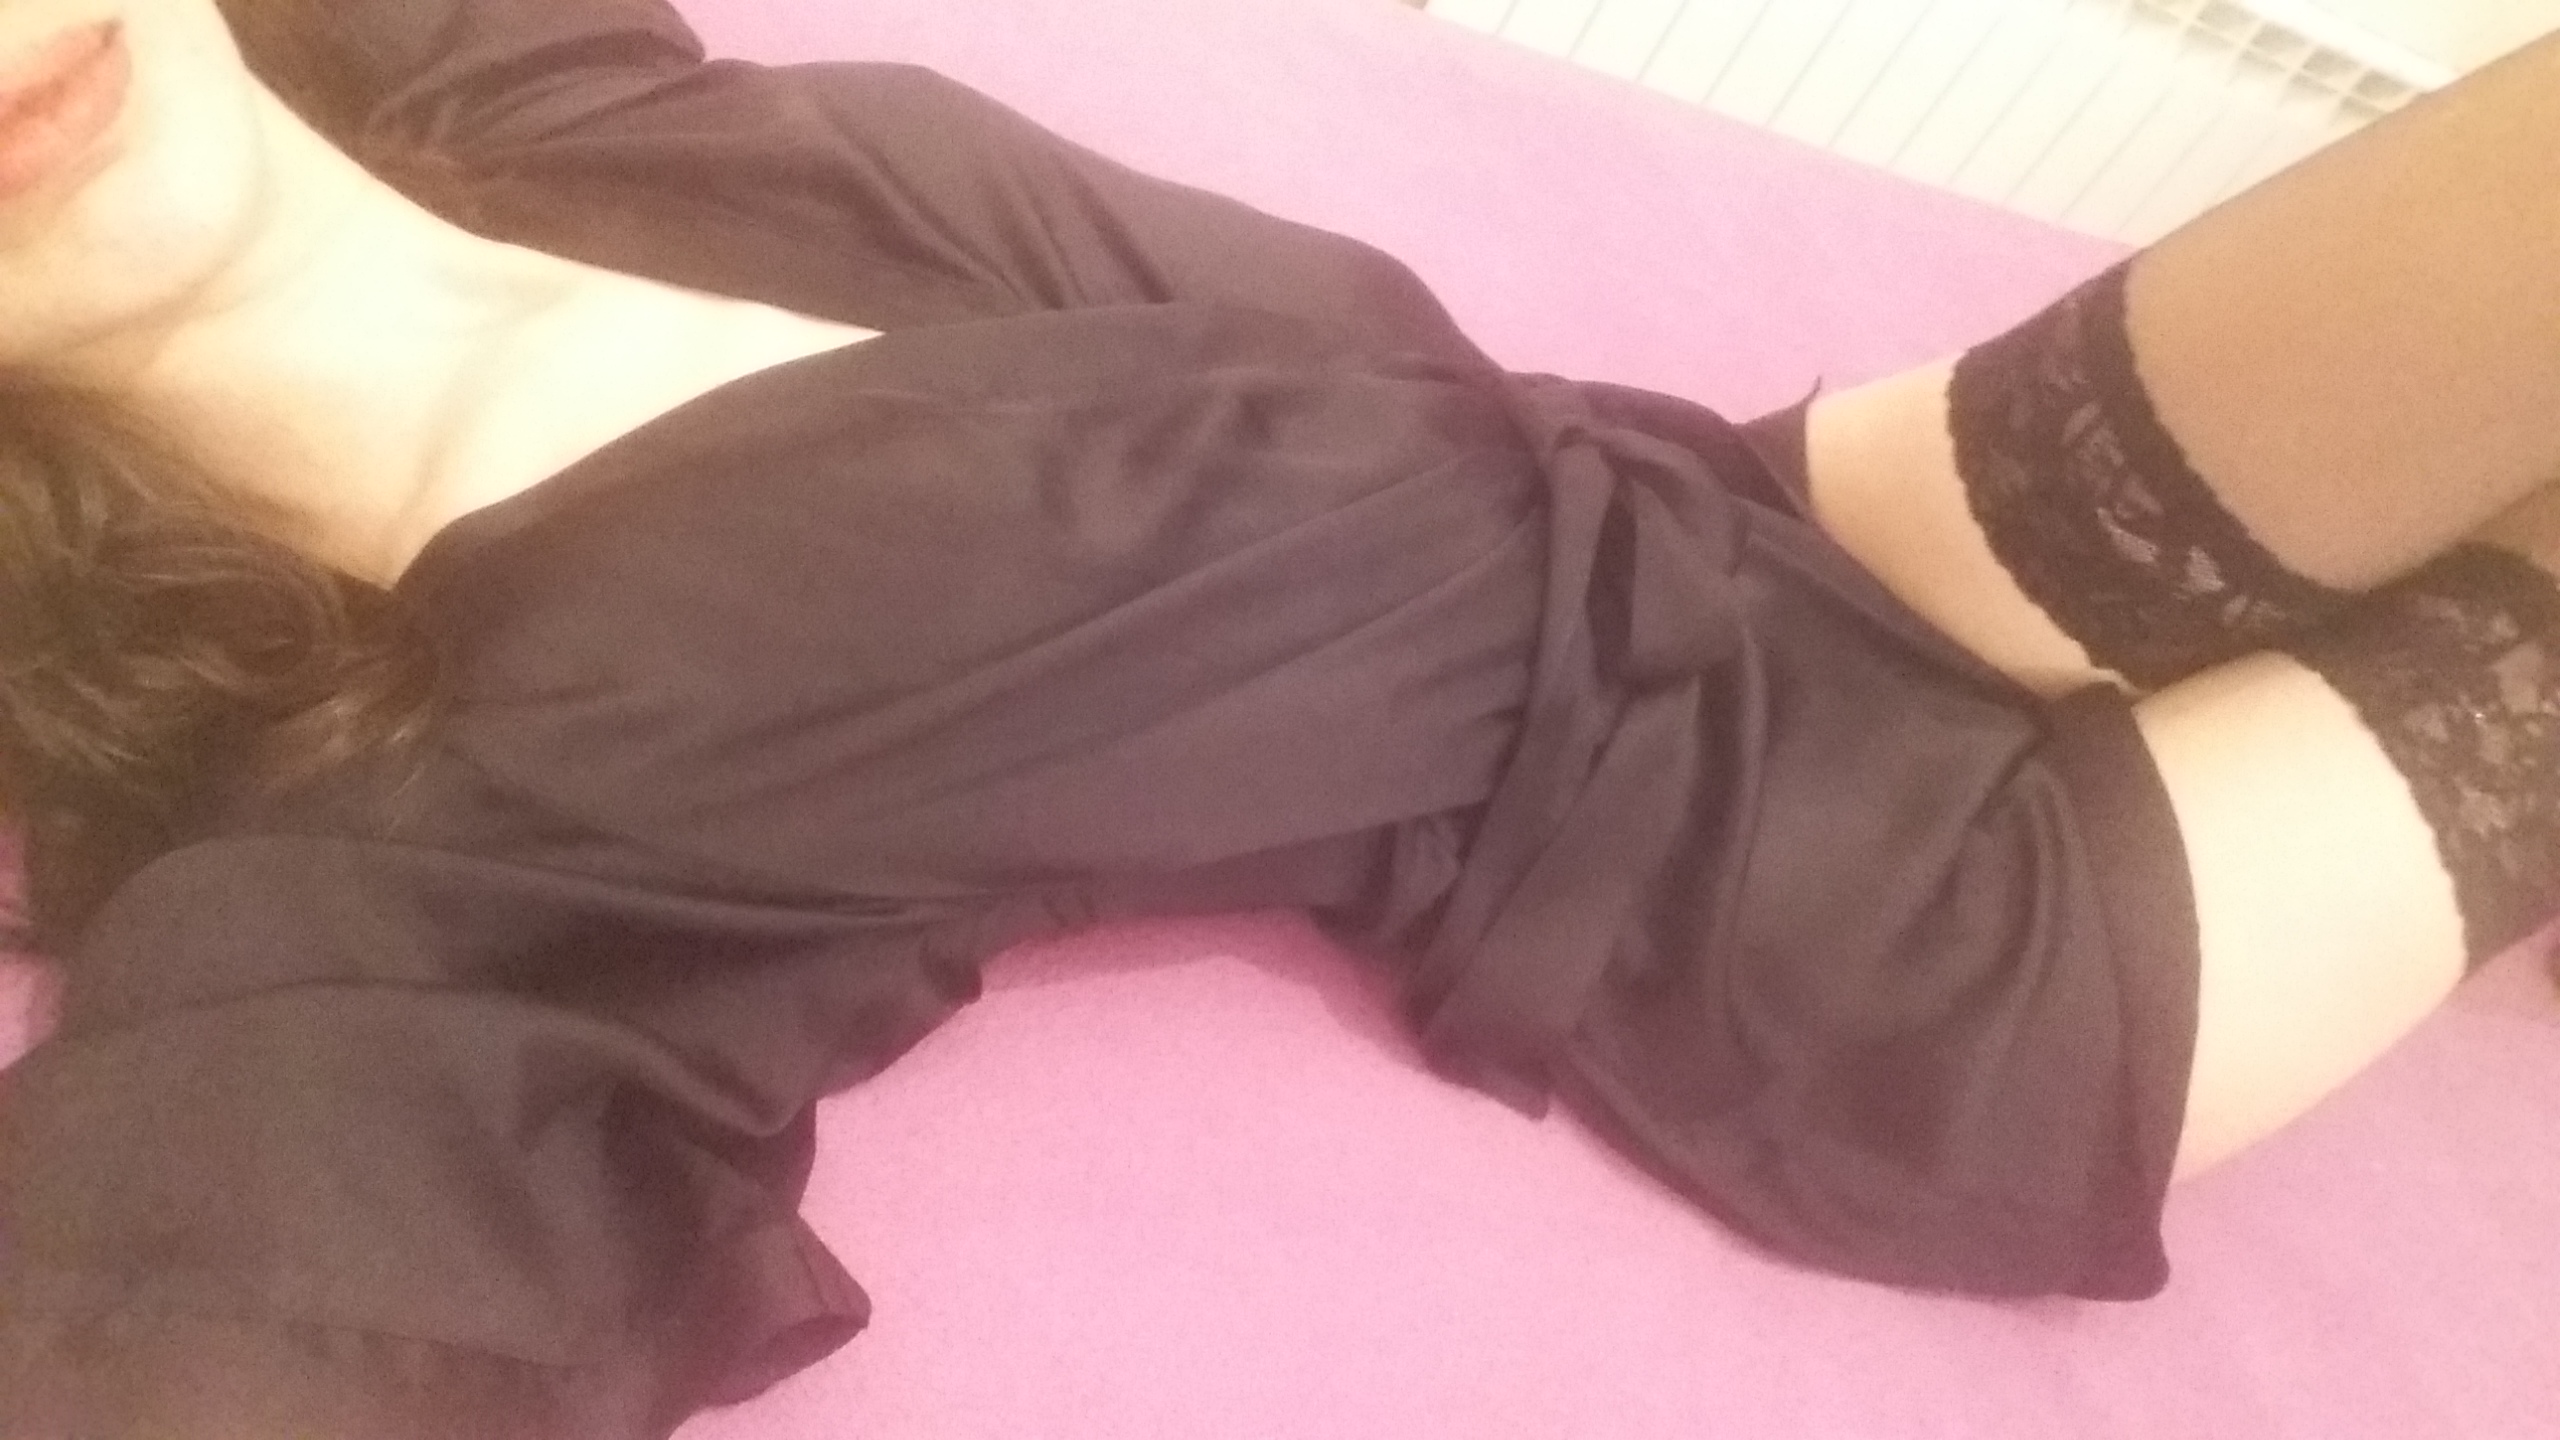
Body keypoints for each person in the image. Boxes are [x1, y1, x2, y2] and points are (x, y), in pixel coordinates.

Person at [0, 0, 2552, 1433]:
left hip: (1801, 518)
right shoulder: (420, 808)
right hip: (1924, 932)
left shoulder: (528, 100)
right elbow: (222, 1285)